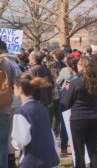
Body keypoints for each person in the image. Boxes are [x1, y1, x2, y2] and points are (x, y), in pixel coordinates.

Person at [11, 73, 59, 168]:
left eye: (14, 88)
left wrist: (14, 143)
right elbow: (50, 134)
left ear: (19, 89)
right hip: (50, 159)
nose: (13, 91)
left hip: (32, 161)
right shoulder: (42, 108)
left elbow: (21, 141)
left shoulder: (21, 112)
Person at [64, 56, 97, 168]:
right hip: (93, 117)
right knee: (93, 151)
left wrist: (67, 90)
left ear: (83, 67)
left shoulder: (75, 82)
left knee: (79, 151)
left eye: (79, 64)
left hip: (78, 118)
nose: (77, 66)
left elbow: (67, 103)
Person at [0, 39, 20, 168]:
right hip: (8, 103)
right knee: (4, 142)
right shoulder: (13, 62)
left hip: (5, 105)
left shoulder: (4, 63)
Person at [56, 57, 79, 155]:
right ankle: (74, 147)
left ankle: (64, 147)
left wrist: (63, 86)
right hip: (76, 101)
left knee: (64, 124)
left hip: (65, 100)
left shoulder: (64, 71)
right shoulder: (81, 73)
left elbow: (57, 82)